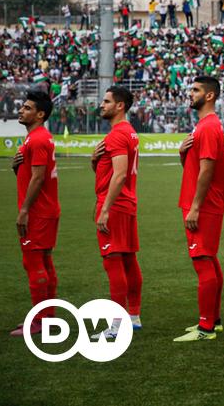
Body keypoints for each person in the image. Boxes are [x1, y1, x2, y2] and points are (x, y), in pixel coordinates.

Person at [173, 76, 224, 342]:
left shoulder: (208, 127)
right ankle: (214, 321)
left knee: (202, 261)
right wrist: (183, 154)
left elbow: (207, 170)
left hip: (203, 206)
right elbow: (197, 168)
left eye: (195, 90)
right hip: (203, 203)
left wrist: (195, 207)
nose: (190, 93)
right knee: (209, 259)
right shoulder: (205, 126)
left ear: (209, 96)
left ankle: (205, 327)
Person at [91, 85, 143, 339]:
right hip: (126, 203)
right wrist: (94, 161)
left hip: (116, 205)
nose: (102, 105)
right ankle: (133, 316)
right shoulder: (129, 133)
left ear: (119, 105)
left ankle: (117, 324)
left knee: (113, 262)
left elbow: (120, 173)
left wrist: (105, 209)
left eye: (107, 101)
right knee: (128, 261)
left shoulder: (117, 135)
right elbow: (112, 171)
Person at [10, 91, 60, 337]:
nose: (21, 110)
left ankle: (40, 321)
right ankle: (48, 317)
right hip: (46, 210)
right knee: (44, 262)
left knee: (33, 262)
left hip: (38, 212)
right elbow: (32, 174)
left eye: (27, 108)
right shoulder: (37, 139)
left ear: (40, 114)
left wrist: (24, 211)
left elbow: (39, 178)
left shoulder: (38, 139)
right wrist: (17, 168)